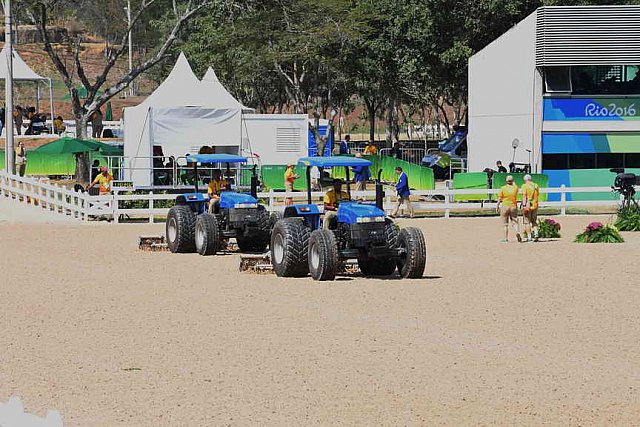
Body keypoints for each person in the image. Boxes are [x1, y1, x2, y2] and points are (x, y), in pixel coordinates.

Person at [497, 175, 522, 243]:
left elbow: (499, 198)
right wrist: (513, 182)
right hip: (513, 206)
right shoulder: (515, 188)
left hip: (505, 205)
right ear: (512, 181)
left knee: (505, 224)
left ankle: (505, 238)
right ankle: (517, 232)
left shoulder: (503, 188)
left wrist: (497, 206)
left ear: (506, 181)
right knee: (515, 221)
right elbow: (515, 185)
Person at [521, 174, 540, 242]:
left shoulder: (524, 186)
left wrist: (523, 205)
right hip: (535, 205)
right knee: (534, 221)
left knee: (527, 222)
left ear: (525, 180)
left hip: (528, 205)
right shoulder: (536, 185)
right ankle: (536, 233)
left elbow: (524, 196)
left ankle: (529, 237)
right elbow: (537, 194)